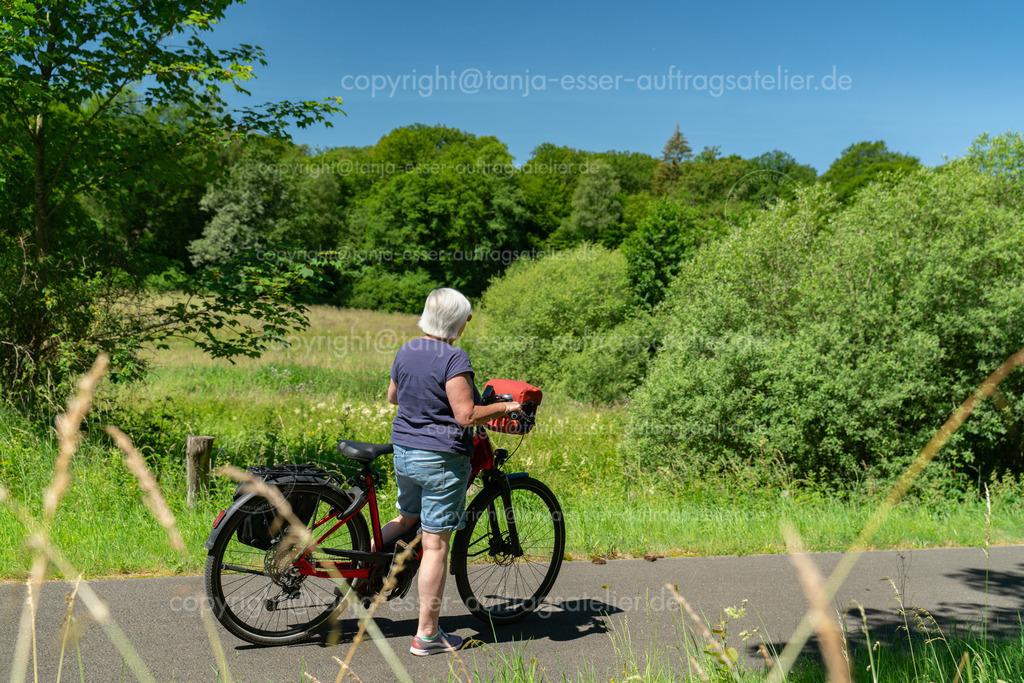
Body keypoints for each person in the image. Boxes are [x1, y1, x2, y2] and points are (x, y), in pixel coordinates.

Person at [380, 288, 521, 656]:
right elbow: (466, 415)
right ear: (459, 323)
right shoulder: (455, 357)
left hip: (405, 454)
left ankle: (365, 574)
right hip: (440, 460)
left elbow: (393, 397)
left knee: (406, 518)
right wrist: (507, 407)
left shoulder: (406, 349)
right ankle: (427, 636)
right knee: (434, 545)